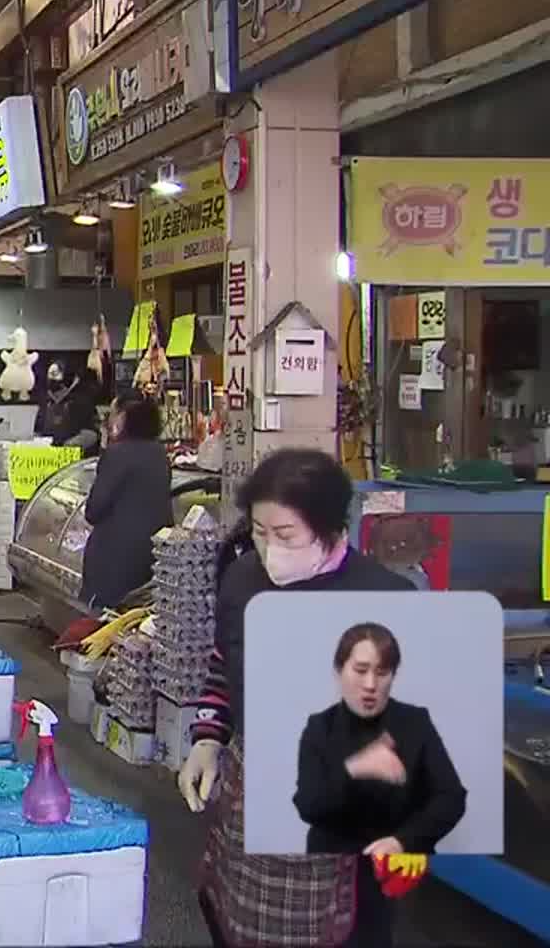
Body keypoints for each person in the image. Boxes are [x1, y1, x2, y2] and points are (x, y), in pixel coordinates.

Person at [179, 449, 415, 948]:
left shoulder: (385, 599)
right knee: (237, 921)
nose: (269, 551)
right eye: (260, 534)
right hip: (251, 795)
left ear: (329, 528)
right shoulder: (242, 581)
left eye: (285, 535)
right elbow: (225, 665)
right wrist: (207, 738)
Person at [295, 621, 465, 865]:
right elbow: (308, 806)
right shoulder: (319, 728)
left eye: (382, 672)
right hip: (333, 870)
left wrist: (402, 842)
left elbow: (451, 798)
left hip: (402, 866)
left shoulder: (416, 722)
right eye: (360, 670)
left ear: (393, 676)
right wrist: (355, 768)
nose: (370, 685)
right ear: (339, 670)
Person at [80, 398, 173, 610]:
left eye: (115, 415)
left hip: (114, 559)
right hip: (150, 556)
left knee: (101, 619)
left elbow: (94, 511)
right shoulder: (160, 455)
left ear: (126, 420)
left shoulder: (117, 455)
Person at [36, 361, 100, 450]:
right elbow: (39, 431)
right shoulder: (46, 403)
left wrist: (70, 446)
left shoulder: (83, 402)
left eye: (55, 374)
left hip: (76, 458)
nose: (52, 380)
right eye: (50, 375)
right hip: (48, 456)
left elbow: (92, 434)